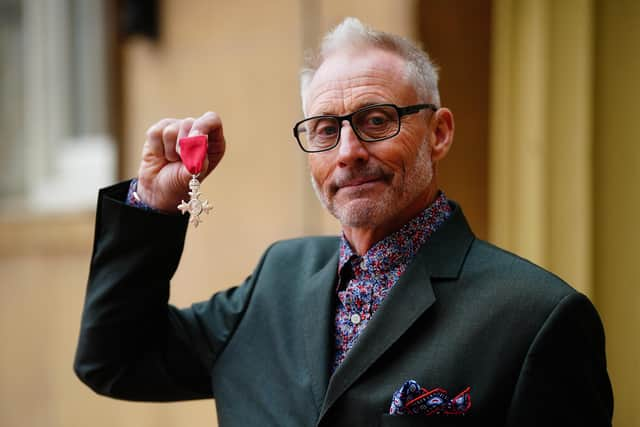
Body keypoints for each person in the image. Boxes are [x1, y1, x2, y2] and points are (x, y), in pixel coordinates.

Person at [74, 18, 613, 426]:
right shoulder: (277, 276)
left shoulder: (538, 318)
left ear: (439, 133)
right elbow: (115, 360)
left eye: (377, 120)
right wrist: (152, 201)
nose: (348, 151)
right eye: (325, 129)